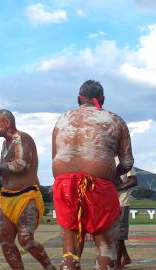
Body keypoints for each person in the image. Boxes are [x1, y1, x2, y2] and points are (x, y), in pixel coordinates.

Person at [52, 80, 134, 270]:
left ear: (78, 99)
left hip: (65, 186)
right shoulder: (115, 120)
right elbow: (127, 162)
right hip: (99, 186)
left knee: (70, 252)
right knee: (106, 249)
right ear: (102, 100)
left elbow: (56, 157)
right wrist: (113, 175)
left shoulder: (62, 120)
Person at [0, 109, 56, 270]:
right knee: (5, 240)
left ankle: (49, 267)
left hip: (26, 196)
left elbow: (21, 164)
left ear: (7, 123)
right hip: (7, 197)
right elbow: (3, 169)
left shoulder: (21, 138)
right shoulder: (5, 143)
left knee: (25, 239)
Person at [115, 156, 138, 268]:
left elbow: (134, 180)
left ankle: (117, 263)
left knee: (119, 234)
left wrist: (117, 188)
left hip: (121, 202)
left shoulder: (123, 161)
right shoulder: (104, 158)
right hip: (107, 202)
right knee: (114, 234)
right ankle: (126, 257)